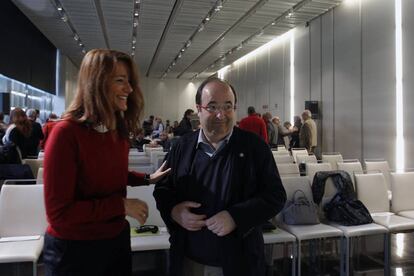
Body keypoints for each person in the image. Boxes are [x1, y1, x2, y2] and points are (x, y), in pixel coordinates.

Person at [43, 49, 170, 276]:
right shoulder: (65, 133)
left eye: (129, 82)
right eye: (120, 81)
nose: (129, 89)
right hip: (75, 251)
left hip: (114, 241)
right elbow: (59, 213)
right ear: (96, 83)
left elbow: (109, 173)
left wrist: (148, 178)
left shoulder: (116, 130)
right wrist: (120, 205)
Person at [154, 77, 286, 276]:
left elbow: (275, 196)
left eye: (228, 106)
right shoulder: (182, 147)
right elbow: (163, 188)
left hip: (239, 260)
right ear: (198, 109)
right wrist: (174, 211)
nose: (221, 114)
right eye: (212, 106)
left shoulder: (254, 147)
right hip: (188, 261)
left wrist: (236, 216)